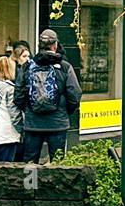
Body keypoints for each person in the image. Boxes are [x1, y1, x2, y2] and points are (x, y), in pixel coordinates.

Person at [15, 29, 81, 163]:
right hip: (58, 123)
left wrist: (29, 109)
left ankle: (30, 184)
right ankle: (57, 184)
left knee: (30, 162)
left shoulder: (27, 66)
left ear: (39, 45)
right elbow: (74, 94)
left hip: (33, 123)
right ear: (55, 45)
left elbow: (18, 95)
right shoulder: (64, 67)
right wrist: (64, 111)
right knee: (58, 162)